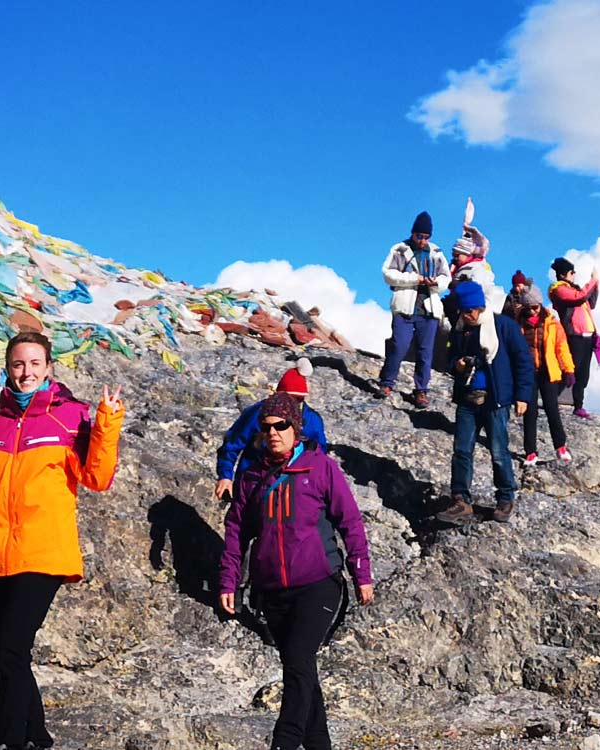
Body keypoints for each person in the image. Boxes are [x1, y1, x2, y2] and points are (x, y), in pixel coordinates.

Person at [0, 331, 126, 750]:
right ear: (7, 369)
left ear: (49, 368)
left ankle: (8, 741)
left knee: (12, 648)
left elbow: (97, 478)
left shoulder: (70, 417)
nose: (26, 371)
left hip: (45, 553)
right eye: (18, 364)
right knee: (7, 653)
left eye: (35, 364)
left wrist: (106, 424)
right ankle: (38, 737)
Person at [217, 393, 375, 750]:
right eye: (267, 427)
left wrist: (361, 573)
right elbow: (237, 532)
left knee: (299, 662)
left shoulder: (321, 468)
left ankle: (283, 743)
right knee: (301, 671)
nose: (274, 433)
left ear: (296, 428)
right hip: (271, 591)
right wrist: (229, 580)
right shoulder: (251, 476)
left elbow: (350, 522)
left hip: (319, 585)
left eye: (281, 426)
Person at [439, 279, 534, 522]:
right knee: (461, 451)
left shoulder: (503, 327)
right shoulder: (460, 330)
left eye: (470, 309)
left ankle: (505, 497)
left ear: (479, 306)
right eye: (463, 310)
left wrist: (522, 396)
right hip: (467, 399)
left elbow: (523, 361)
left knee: (499, 451)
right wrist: (457, 366)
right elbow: (450, 359)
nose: (467, 314)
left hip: (496, 400)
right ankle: (461, 500)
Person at [216, 360, 332, 502]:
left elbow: (320, 456)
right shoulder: (256, 414)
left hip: (295, 493)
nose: (291, 404)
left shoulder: (313, 421)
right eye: (288, 398)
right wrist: (226, 477)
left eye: (298, 399)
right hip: (252, 486)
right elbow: (232, 445)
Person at [378, 212, 451, 407]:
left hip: (428, 309)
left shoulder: (436, 252)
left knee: (425, 351)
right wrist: (413, 279)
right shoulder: (400, 250)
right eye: (419, 236)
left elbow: (446, 277)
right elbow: (387, 273)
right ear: (413, 233)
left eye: (426, 237)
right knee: (399, 344)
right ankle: (387, 381)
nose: (422, 241)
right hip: (404, 306)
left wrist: (435, 283)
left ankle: (421, 390)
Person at [509, 271, 573, 464]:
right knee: (530, 413)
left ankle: (560, 447)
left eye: (535, 307)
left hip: (547, 372)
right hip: (527, 374)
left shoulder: (552, 323)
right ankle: (530, 452)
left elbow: (562, 347)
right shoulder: (517, 323)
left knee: (552, 409)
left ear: (540, 304)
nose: (532, 312)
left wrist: (568, 369)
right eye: (529, 308)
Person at [546, 258, 600, 418]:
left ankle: (578, 405)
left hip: (587, 335)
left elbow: (591, 302)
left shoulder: (574, 289)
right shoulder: (559, 290)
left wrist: (595, 285)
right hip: (574, 335)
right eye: (571, 272)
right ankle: (552, 399)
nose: (574, 274)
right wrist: (593, 281)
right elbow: (579, 297)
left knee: (583, 373)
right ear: (563, 274)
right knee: (571, 369)